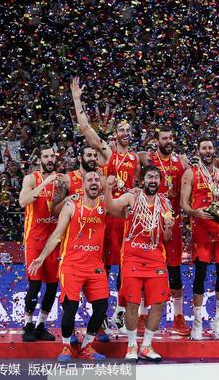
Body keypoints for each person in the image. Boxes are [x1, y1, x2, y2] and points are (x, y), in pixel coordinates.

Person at [70, 77, 139, 332]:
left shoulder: (136, 159)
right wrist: (77, 99)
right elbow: (85, 128)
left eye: (128, 130)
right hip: (105, 218)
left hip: (126, 220)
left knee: (125, 267)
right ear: (114, 134)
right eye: (121, 130)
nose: (125, 133)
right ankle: (99, 315)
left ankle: (120, 312)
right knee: (101, 267)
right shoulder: (107, 153)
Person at [27, 171, 110, 362]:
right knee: (70, 307)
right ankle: (66, 347)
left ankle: (86, 346)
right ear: (83, 185)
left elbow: (123, 206)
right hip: (71, 265)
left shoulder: (105, 205)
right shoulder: (71, 205)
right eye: (89, 180)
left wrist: (134, 192)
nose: (94, 182)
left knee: (101, 307)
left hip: (95, 266)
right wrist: (41, 257)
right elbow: (57, 235)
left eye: (97, 180)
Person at [103, 166, 174, 361]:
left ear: (160, 182)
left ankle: (147, 346)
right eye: (150, 177)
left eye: (156, 177)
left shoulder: (165, 203)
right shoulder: (131, 197)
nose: (153, 180)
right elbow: (110, 207)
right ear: (143, 180)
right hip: (132, 258)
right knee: (132, 303)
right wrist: (108, 189)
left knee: (158, 304)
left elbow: (166, 237)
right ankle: (132, 346)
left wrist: (169, 228)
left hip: (156, 258)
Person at [138, 127, 191, 336]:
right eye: (164, 138)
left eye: (170, 137)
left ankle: (178, 317)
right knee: (145, 268)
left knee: (174, 269)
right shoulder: (147, 159)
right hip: (149, 222)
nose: (168, 141)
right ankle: (142, 315)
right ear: (157, 141)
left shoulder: (181, 162)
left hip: (173, 223)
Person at [181, 136, 219, 340]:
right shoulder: (190, 173)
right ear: (198, 151)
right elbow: (183, 203)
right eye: (204, 148)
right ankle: (197, 325)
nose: (207, 151)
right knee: (200, 276)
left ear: (214, 150)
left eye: (210, 148)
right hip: (201, 231)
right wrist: (195, 213)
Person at [18, 146, 60, 342]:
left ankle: (41, 325)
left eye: (52, 156)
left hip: (54, 240)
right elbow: (23, 201)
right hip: (35, 240)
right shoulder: (31, 178)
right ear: (39, 160)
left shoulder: (61, 180)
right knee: (34, 285)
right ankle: (28, 325)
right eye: (46, 156)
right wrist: (45, 183)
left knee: (52, 286)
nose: (50, 159)